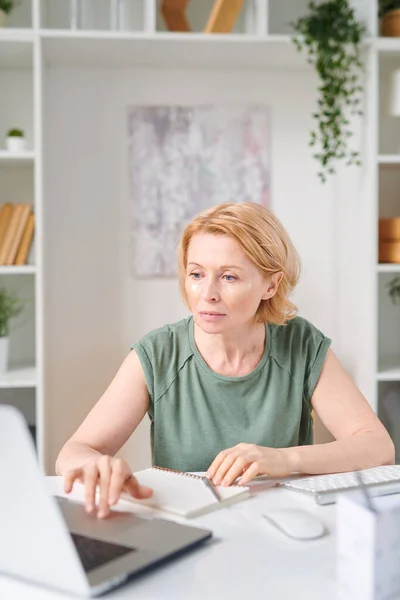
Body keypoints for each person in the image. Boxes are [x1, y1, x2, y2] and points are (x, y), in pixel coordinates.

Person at [56, 202, 394, 518]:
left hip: (282, 525)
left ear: (270, 285)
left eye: (229, 276)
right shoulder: (157, 353)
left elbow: (377, 446)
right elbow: (77, 450)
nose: (208, 294)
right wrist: (93, 465)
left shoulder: (301, 344)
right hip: (191, 529)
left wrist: (283, 458)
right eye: (197, 274)